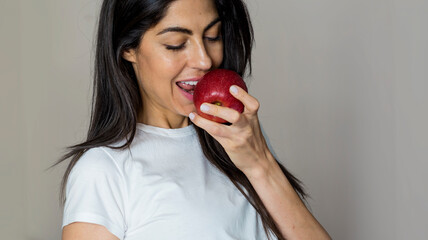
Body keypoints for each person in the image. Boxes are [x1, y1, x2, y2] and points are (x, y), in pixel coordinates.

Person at [53, 0, 331, 239]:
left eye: (213, 36)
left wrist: (261, 164)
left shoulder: (239, 139)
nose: (204, 60)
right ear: (128, 48)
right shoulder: (103, 170)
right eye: (175, 44)